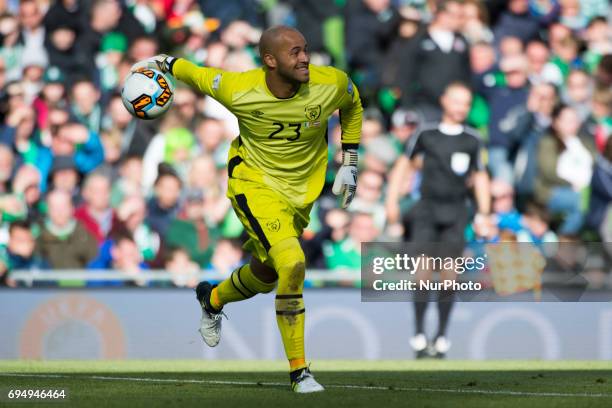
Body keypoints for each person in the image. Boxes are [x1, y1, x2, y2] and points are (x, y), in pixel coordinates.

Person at [132, 25, 362, 392]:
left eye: (305, 50)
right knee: (293, 262)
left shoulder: (330, 82)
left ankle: (212, 298)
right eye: (295, 53)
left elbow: (353, 104)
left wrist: (349, 159)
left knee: (267, 274)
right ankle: (299, 371)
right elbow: (196, 74)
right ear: (270, 61)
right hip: (254, 185)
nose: (304, 58)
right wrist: (162, 62)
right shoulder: (239, 89)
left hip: (301, 195)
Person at [386, 82, 490, 358]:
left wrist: (484, 213)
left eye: (466, 103)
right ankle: (419, 334)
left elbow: (480, 176)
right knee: (421, 270)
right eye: (456, 101)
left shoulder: (473, 138)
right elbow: (402, 166)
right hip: (427, 210)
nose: (460, 107)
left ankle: (441, 336)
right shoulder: (425, 133)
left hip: (456, 211)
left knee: (448, 275)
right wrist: (391, 202)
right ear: (444, 101)